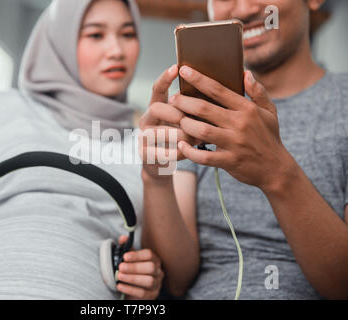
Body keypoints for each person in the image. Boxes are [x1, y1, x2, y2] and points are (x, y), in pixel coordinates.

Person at [0, 0, 163, 299]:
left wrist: (147, 277)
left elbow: (152, 257)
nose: (116, 50)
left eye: (128, 34)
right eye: (95, 35)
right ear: (59, 41)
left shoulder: (148, 147)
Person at [139, 0, 348, 299]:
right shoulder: (197, 115)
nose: (244, 8)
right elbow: (175, 281)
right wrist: (156, 177)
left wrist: (278, 174)